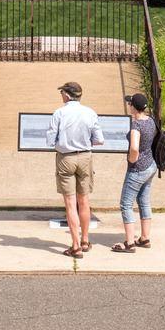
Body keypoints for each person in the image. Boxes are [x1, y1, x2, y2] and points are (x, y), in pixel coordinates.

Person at [46, 81, 104, 257]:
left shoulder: (59, 113)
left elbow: (50, 140)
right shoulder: (90, 113)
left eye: (62, 92)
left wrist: (62, 143)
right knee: (84, 200)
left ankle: (76, 245)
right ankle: (85, 240)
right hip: (85, 156)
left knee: (70, 203)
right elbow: (99, 139)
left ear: (67, 95)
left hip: (66, 157)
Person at [112, 92, 157, 253]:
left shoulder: (136, 125)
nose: (128, 105)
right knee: (144, 201)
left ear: (133, 107)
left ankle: (130, 242)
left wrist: (132, 160)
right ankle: (144, 238)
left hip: (137, 169)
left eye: (130, 103)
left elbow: (134, 148)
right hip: (151, 165)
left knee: (126, 204)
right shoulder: (150, 121)